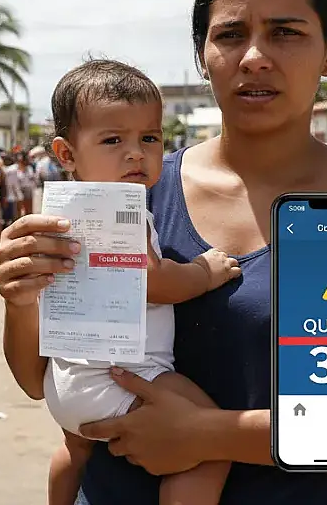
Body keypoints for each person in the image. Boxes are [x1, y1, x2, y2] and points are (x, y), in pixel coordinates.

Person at [0, 0, 327, 505]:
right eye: (231, 35)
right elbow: (38, 379)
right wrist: (22, 301)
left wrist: (206, 435)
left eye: (286, 32)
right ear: (202, 53)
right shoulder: (131, 194)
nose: (255, 57)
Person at [36, 60, 242, 505]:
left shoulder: (68, 213)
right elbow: (154, 283)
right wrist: (206, 272)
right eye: (113, 140)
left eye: (149, 138)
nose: (136, 153)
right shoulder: (118, 212)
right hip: (122, 375)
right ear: (66, 154)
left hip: (68, 380)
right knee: (209, 440)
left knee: (74, 449)